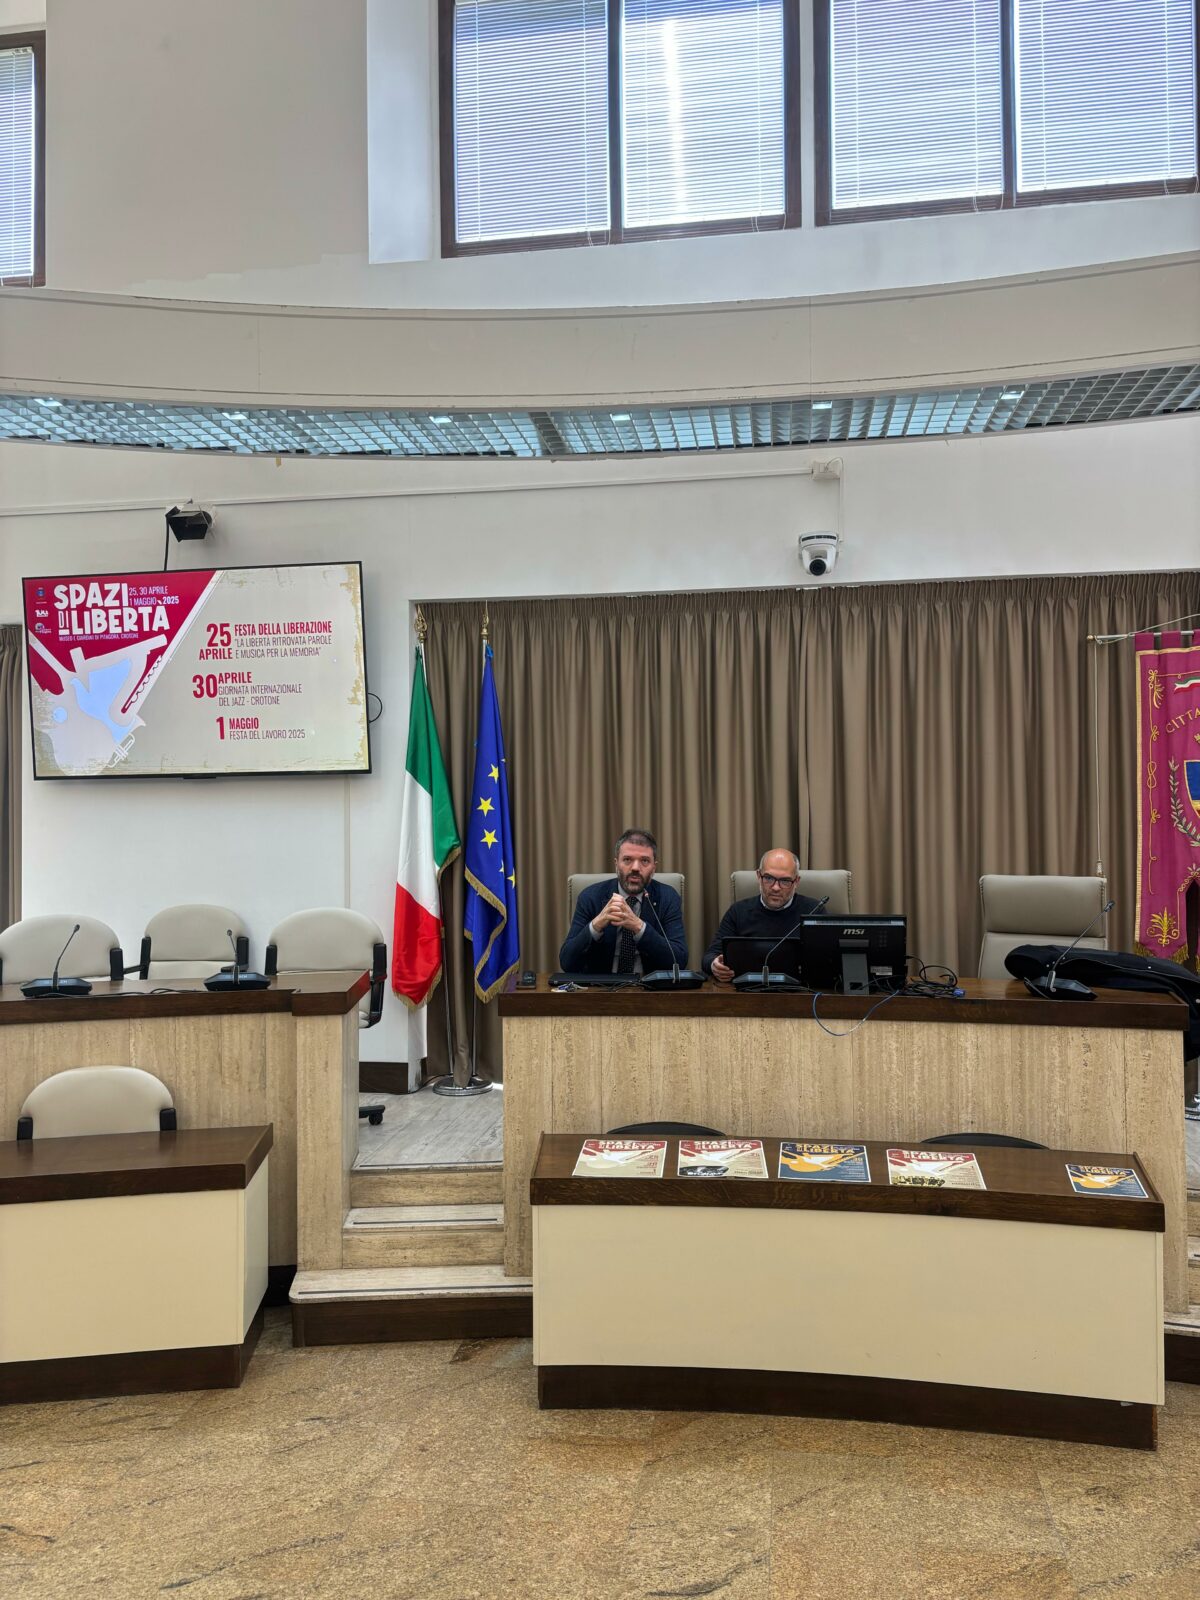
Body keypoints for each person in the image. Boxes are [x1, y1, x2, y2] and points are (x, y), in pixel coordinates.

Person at [559, 828, 688, 975]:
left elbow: (679, 961)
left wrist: (639, 927)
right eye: (627, 859)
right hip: (601, 985)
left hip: (648, 984)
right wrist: (596, 925)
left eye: (644, 861)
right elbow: (567, 962)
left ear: (654, 867)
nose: (635, 868)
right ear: (616, 863)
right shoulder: (590, 897)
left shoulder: (668, 897)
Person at [703, 849, 823, 982]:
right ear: (758, 876)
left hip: (799, 990)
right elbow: (709, 957)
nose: (776, 887)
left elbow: (829, 960)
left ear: (796, 882)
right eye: (769, 878)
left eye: (785, 881)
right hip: (746, 989)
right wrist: (714, 965)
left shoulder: (814, 911)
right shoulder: (738, 911)